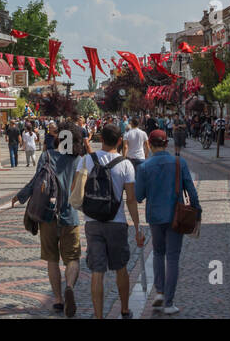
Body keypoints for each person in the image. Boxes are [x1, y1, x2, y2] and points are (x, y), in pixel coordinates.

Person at [71, 123, 144, 318]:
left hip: (92, 221)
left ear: (101, 139)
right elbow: (130, 199)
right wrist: (137, 227)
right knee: (121, 267)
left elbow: (75, 189)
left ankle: (98, 315)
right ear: (120, 141)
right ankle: (125, 308)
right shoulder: (126, 164)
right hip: (117, 222)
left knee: (97, 270)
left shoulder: (86, 159)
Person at [12, 121, 84, 317]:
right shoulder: (79, 160)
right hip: (70, 216)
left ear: (60, 138)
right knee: (73, 258)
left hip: (48, 216)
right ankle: (69, 285)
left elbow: (36, 182)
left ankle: (59, 300)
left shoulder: (46, 156)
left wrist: (20, 196)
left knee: (52, 259)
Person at [134, 129, 201, 315]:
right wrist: (198, 211)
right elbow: (191, 190)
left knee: (158, 253)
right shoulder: (179, 163)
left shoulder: (144, 167)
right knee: (172, 257)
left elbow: (138, 196)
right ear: (166, 143)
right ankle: (169, 302)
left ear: (149, 143)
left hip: (155, 216)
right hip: (176, 216)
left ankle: (160, 292)